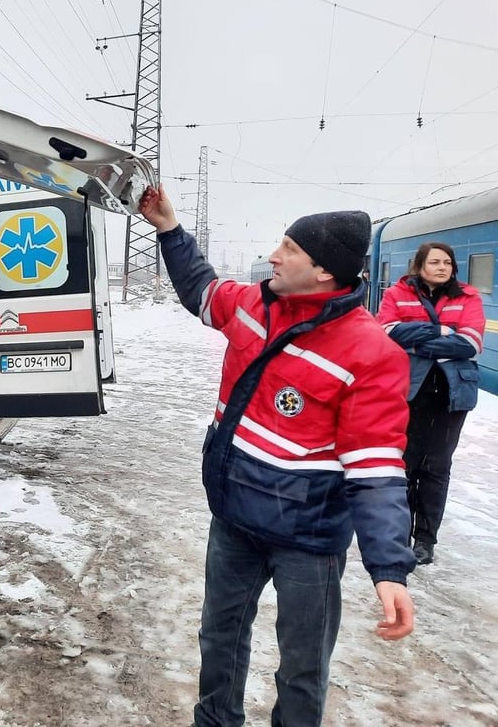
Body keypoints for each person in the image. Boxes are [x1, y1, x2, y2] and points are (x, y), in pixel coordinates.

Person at [138, 184, 415, 727]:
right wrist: (170, 229)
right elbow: (199, 286)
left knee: (302, 668)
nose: (273, 255)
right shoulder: (250, 306)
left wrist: (389, 568)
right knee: (219, 639)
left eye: (289, 248)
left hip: (308, 541)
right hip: (236, 520)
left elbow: (377, 470)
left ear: (324, 274)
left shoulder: (370, 353)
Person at [375, 242, 484, 566]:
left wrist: (416, 341)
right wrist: (439, 330)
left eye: (447, 262)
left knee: (436, 467)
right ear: (419, 265)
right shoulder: (397, 294)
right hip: (407, 391)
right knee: (404, 466)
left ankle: (425, 540)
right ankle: (400, 536)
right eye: (434, 262)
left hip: (450, 396)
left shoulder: (468, 297)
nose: (442, 267)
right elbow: (386, 333)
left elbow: (470, 343)